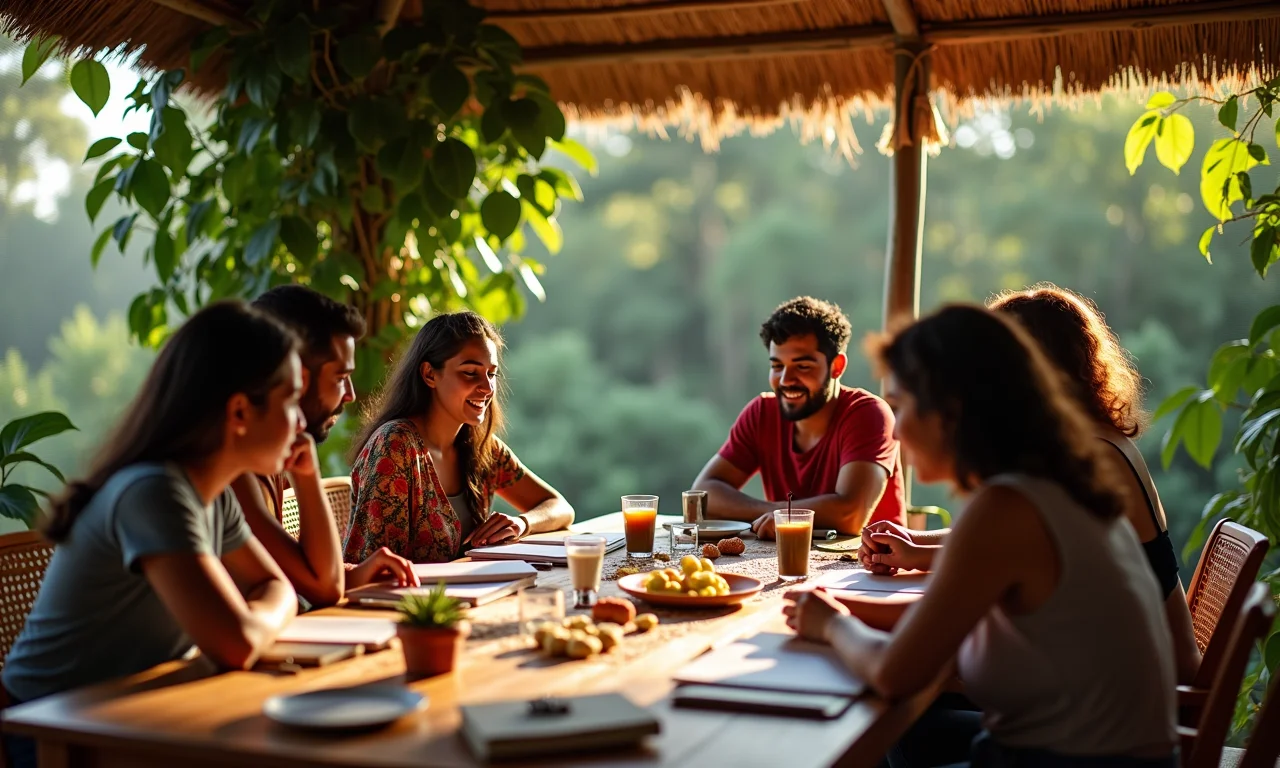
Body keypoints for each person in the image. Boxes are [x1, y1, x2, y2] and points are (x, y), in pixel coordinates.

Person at [786, 305, 1176, 768]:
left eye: (903, 405)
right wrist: (836, 609)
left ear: (953, 409)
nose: (896, 427)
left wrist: (832, 625)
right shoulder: (1059, 481)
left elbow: (895, 674)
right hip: (1102, 755)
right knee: (908, 732)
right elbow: (939, 621)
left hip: (1072, 763)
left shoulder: (1007, 508)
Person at [2, 302, 302, 768]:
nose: (301, 422)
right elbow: (236, 643)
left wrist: (254, 624)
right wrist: (259, 627)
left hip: (131, 712)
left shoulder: (213, 494)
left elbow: (277, 587)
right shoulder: (153, 491)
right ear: (240, 411)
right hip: (46, 734)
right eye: (290, 400)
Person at [861, 284, 1200, 684]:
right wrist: (920, 546)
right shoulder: (1091, 447)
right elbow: (1022, 547)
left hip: (1145, 681)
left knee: (910, 718)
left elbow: (1007, 542)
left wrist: (830, 620)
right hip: (1111, 682)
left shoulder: (1085, 458)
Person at [232, 286, 417, 608]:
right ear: (293, 375)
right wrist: (307, 476)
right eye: (339, 377)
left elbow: (304, 575)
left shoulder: (271, 456)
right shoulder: (232, 467)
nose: (350, 395)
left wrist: (356, 573)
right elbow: (321, 588)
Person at [344, 311, 574, 564]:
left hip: (473, 597)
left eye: (491, 374)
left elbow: (559, 507)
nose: (487, 388)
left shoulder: (481, 446)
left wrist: (522, 523)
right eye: (470, 372)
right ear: (430, 374)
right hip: (409, 602)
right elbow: (378, 566)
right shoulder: (395, 446)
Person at [692, 296, 905, 538]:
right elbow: (702, 497)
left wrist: (780, 515)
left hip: (870, 568)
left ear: (837, 366)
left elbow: (851, 514)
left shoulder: (868, 414)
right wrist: (777, 513)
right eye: (777, 366)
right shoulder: (762, 413)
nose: (785, 381)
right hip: (786, 560)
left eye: (802, 367)